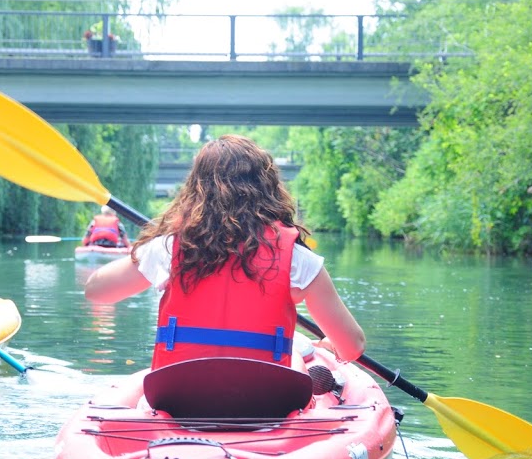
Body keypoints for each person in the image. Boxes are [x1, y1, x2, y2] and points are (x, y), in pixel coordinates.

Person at [85, 134, 365, 370]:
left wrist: (151, 246)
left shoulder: (169, 247)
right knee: (297, 351)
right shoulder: (298, 259)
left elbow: (96, 291)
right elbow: (352, 347)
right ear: (268, 189)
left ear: (195, 189)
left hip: (178, 397)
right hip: (267, 404)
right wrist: (328, 347)